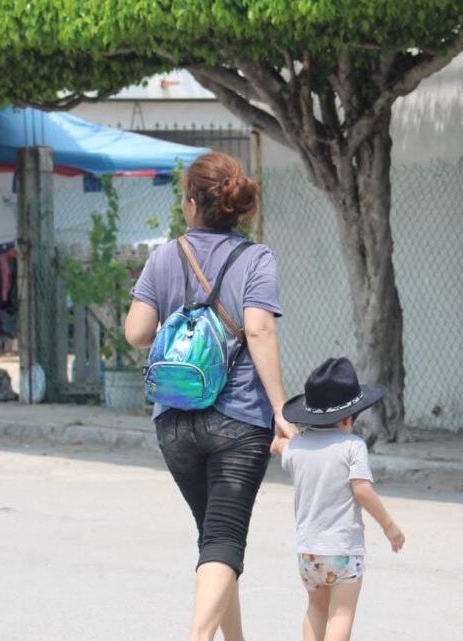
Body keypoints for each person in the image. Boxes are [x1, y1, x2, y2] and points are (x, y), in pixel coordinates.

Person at [124, 152, 297, 641]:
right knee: (223, 538)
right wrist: (281, 409)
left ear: (192, 203)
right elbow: (260, 331)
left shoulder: (164, 255)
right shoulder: (255, 258)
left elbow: (137, 332)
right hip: (239, 421)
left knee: (215, 539)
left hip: (174, 421)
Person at [273, 357, 406, 641]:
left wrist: (280, 435)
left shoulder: (297, 447)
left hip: (309, 552)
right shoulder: (353, 446)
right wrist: (389, 526)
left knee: (316, 609)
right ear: (348, 418)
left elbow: (280, 445)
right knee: (342, 613)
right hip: (343, 550)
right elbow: (362, 490)